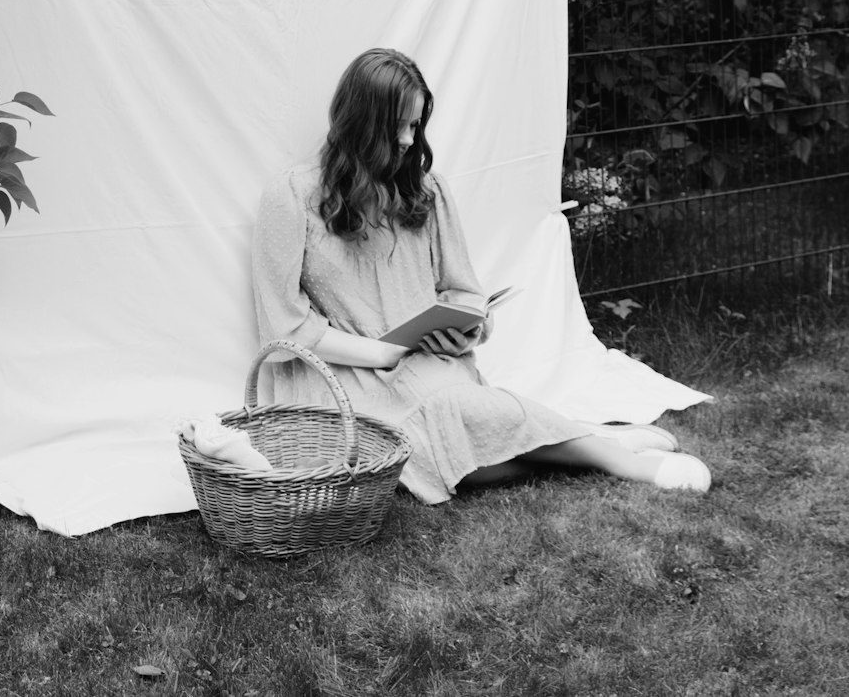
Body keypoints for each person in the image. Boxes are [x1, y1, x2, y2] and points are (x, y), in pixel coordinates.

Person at [252, 48, 712, 500]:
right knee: (446, 462)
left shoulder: (423, 188)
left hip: (427, 365)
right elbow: (284, 324)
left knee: (456, 413)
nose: (410, 140)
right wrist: (379, 353)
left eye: (415, 125)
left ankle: (617, 459)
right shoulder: (292, 197)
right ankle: (587, 442)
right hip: (341, 377)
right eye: (398, 127)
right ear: (361, 122)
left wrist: (465, 334)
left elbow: (463, 292)